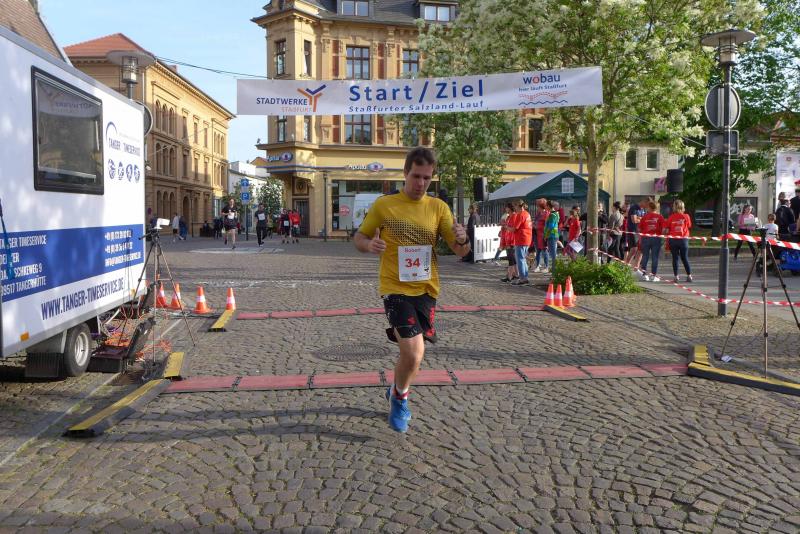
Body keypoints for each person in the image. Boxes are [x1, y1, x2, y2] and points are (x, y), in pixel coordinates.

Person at [354, 147, 470, 433]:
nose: (421, 183)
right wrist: (369, 245)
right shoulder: (385, 205)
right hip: (394, 287)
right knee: (414, 352)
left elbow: (460, 251)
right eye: (416, 176)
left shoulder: (438, 208)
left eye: (427, 178)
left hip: (427, 289)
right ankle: (400, 399)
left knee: (413, 355)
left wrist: (463, 239)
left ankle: (396, 388)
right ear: (405, 173)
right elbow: (360, 237)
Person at [665, 200, 693, 283]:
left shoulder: (671, 217)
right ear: (683, 207)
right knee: (685, 258)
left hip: (673, 240)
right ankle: (689, 276)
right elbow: (689, 225)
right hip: (683, 239)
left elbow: (667, 229)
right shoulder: (686, 216)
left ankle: (676, 276)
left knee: (675, 258)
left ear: (674, 207)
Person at [505, 199, 532, 285]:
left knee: (520, 260)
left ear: (518, 206)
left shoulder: (520, 215)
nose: (514, 208)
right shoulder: (527, 214)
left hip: (521, 239)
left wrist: (506, 227)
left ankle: (522, 279)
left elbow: (514, 229)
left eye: (515, 206)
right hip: (527, 238)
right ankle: (525, 277)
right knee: (523, 259)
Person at [638, 200, 665, 281]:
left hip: (645, 238)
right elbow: (663, 229)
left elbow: (639, 228)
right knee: (654, 257)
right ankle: (653, 275)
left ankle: (644, 275)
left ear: (649, 207)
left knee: (645, 256)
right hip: (656, 238)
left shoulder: (644, 217)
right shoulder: (660, 217)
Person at [498, 203, 518, 282]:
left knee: (510, 258)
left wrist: (505, 226)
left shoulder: (514, 216)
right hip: (508, 239)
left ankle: (509, 276)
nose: (505, 209)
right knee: (513, 258)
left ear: (509, 208)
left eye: (506, 207)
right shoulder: (509, 216)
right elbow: (507, 226)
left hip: (511, 240)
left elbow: (513, 228)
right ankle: (516, 274)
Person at [624, 200, 645, 267]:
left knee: (640, 250)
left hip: (639, 231)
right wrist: (642, 219)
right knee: (634, 249)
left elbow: (643, 219)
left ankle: (636, 267)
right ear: (643, 202)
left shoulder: (642, 209)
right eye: (645, 205)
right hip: (633, 230)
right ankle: (626, 266)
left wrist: (640, 218)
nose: (646, 207)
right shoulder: (634, 208)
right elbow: (634, 220)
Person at [544, 200, 560, 268]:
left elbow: (551, 226)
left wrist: (546, 235)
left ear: (548, 206)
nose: (545, 207)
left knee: (553, 254)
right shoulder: (556, 213)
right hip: (554, 235)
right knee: (553, 254)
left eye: (546, 206)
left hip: (551, 236)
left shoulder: (552, 215)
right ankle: (554, 269)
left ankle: (554, 270)